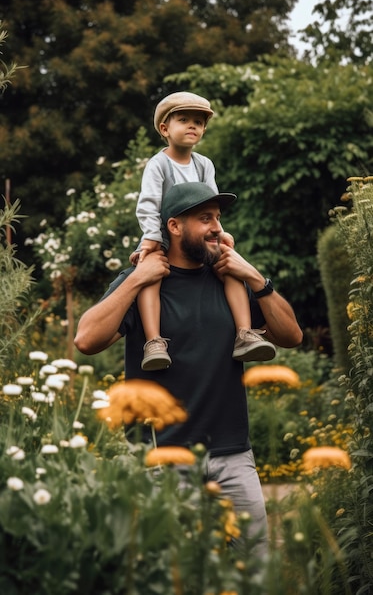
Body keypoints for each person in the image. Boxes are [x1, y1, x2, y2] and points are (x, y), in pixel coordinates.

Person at [74, 182, 303, 558]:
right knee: (177, 569)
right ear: (174, 226)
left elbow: (291, 336)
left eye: (217, 218)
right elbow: (86, 339)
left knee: (255, 565)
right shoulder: (146, 282)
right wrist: (135, 278)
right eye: (204, 218)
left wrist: (257, 279)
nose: (216, 227)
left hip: (233, 454)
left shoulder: (229, 279)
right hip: (164, 458)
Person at [130, 90, 276, 370]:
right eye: (183, 119)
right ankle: (154, 341)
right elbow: (148, 205)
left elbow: (212, 205)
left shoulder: (204, 164)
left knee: (228, 261)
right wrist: (151, 238)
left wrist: (220, 232)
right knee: (149, 272)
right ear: (165, 128)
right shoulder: (158, 164)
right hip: (162, 235)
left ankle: (244, 334)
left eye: (198, 122)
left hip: (198, 238)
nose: (192, 126)